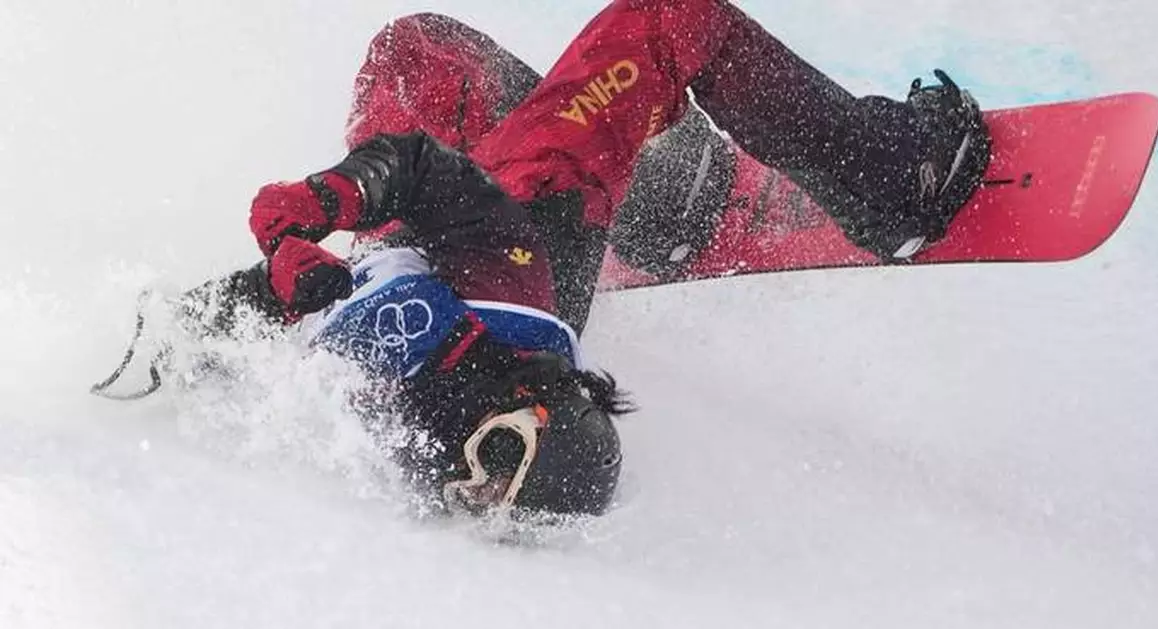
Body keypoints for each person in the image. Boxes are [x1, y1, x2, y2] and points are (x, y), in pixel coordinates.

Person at [166, 0, 991, 520]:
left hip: (428, 242)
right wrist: (322, 203)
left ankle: (666, 190)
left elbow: (280, 307)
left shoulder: (399, 407)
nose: (477, 481)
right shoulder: (503, 273)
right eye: (502, 459)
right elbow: (418, 171)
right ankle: (891, 183)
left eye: (489, 466)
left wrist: (205, 320)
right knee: (672, 16)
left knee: (418, 53)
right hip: (520, 216)